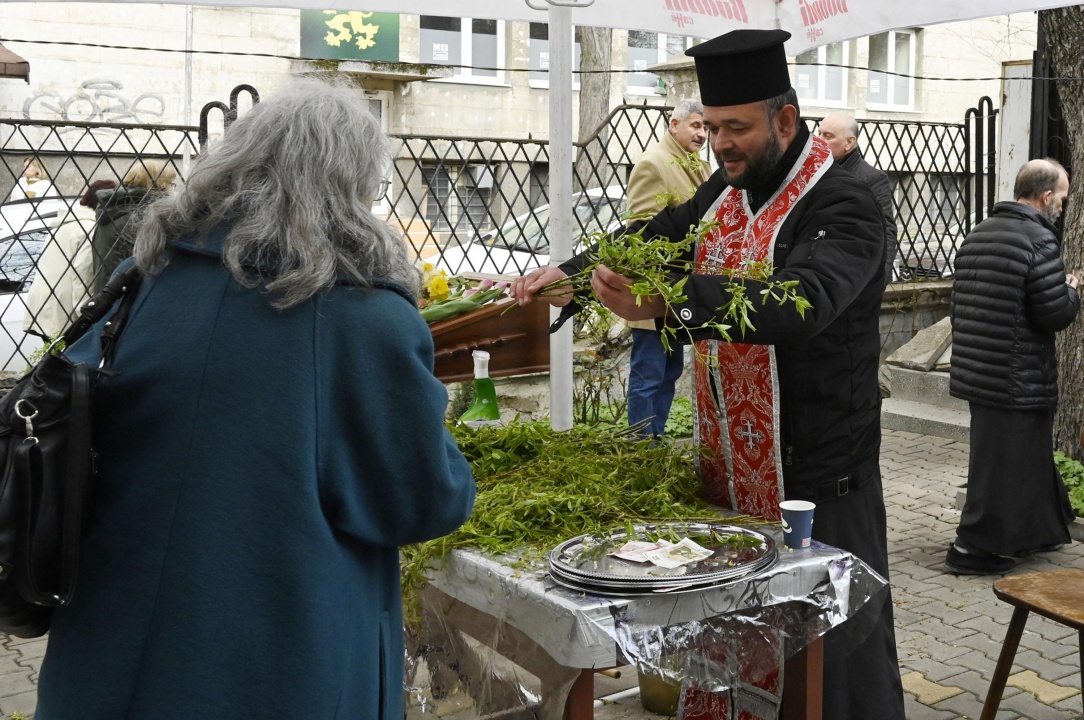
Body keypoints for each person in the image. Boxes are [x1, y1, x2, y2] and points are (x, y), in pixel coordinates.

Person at [34, 78, 477, 719]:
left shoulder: (143, 280)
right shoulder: (362, 317)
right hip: (276, 664)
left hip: (110, 651)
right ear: (353, 185)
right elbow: (420, 501)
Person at [512, 29, 905, 719]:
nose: (721, 143)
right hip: (730, 476)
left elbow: (802, 304)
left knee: (831, 675)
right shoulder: (724, 197)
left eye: (737, 128)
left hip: (818, 483)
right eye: (714, 126)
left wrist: (673, 304)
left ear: (785, 121)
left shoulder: (848, 199)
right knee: (732, 659)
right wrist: (571, 274)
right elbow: (654, 234)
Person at [945, 158, 1080, 575]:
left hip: (981, 370)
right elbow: (1052, 313)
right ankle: (974, 547)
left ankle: (1039, 530)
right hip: (1016, 375)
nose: (1063, 204)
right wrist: (1072, 290)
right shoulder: (1038, 240)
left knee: (1018, 458)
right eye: (1061, 196)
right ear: (1044, 196)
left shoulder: (980, 233)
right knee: (1005, 467)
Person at [625, 98, 710, 436]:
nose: (702, 134)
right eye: (695, 125)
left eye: (706, 127)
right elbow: (643, 231)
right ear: (674, 124)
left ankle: (655, 438)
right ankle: (641, 447)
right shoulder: (654, 164)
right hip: (657, 289)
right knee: (648, 374)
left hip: (684, 292)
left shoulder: (702, 167)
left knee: (670, 370)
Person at [23, 179, 116, 340]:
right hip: (62, 308)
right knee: (67, 362)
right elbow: (83, 276)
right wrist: (86, 317)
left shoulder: (63, 224)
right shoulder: (89, 229)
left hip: (42, 302)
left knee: (50, 360)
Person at [818, 112, 897, 278]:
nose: (819, 140)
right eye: (818, 133)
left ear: (849, 142)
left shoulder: (871, 179)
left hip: (851, 276)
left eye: (828, 136)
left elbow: (886, 231)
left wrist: (880, 281)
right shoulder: (813, 173)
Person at [88, 159, 177, 294]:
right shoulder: (143, 215)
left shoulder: (114, 208)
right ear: (160, 185)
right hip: (126, 297)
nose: (172, 190)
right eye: (171, 184)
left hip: (108, 294)